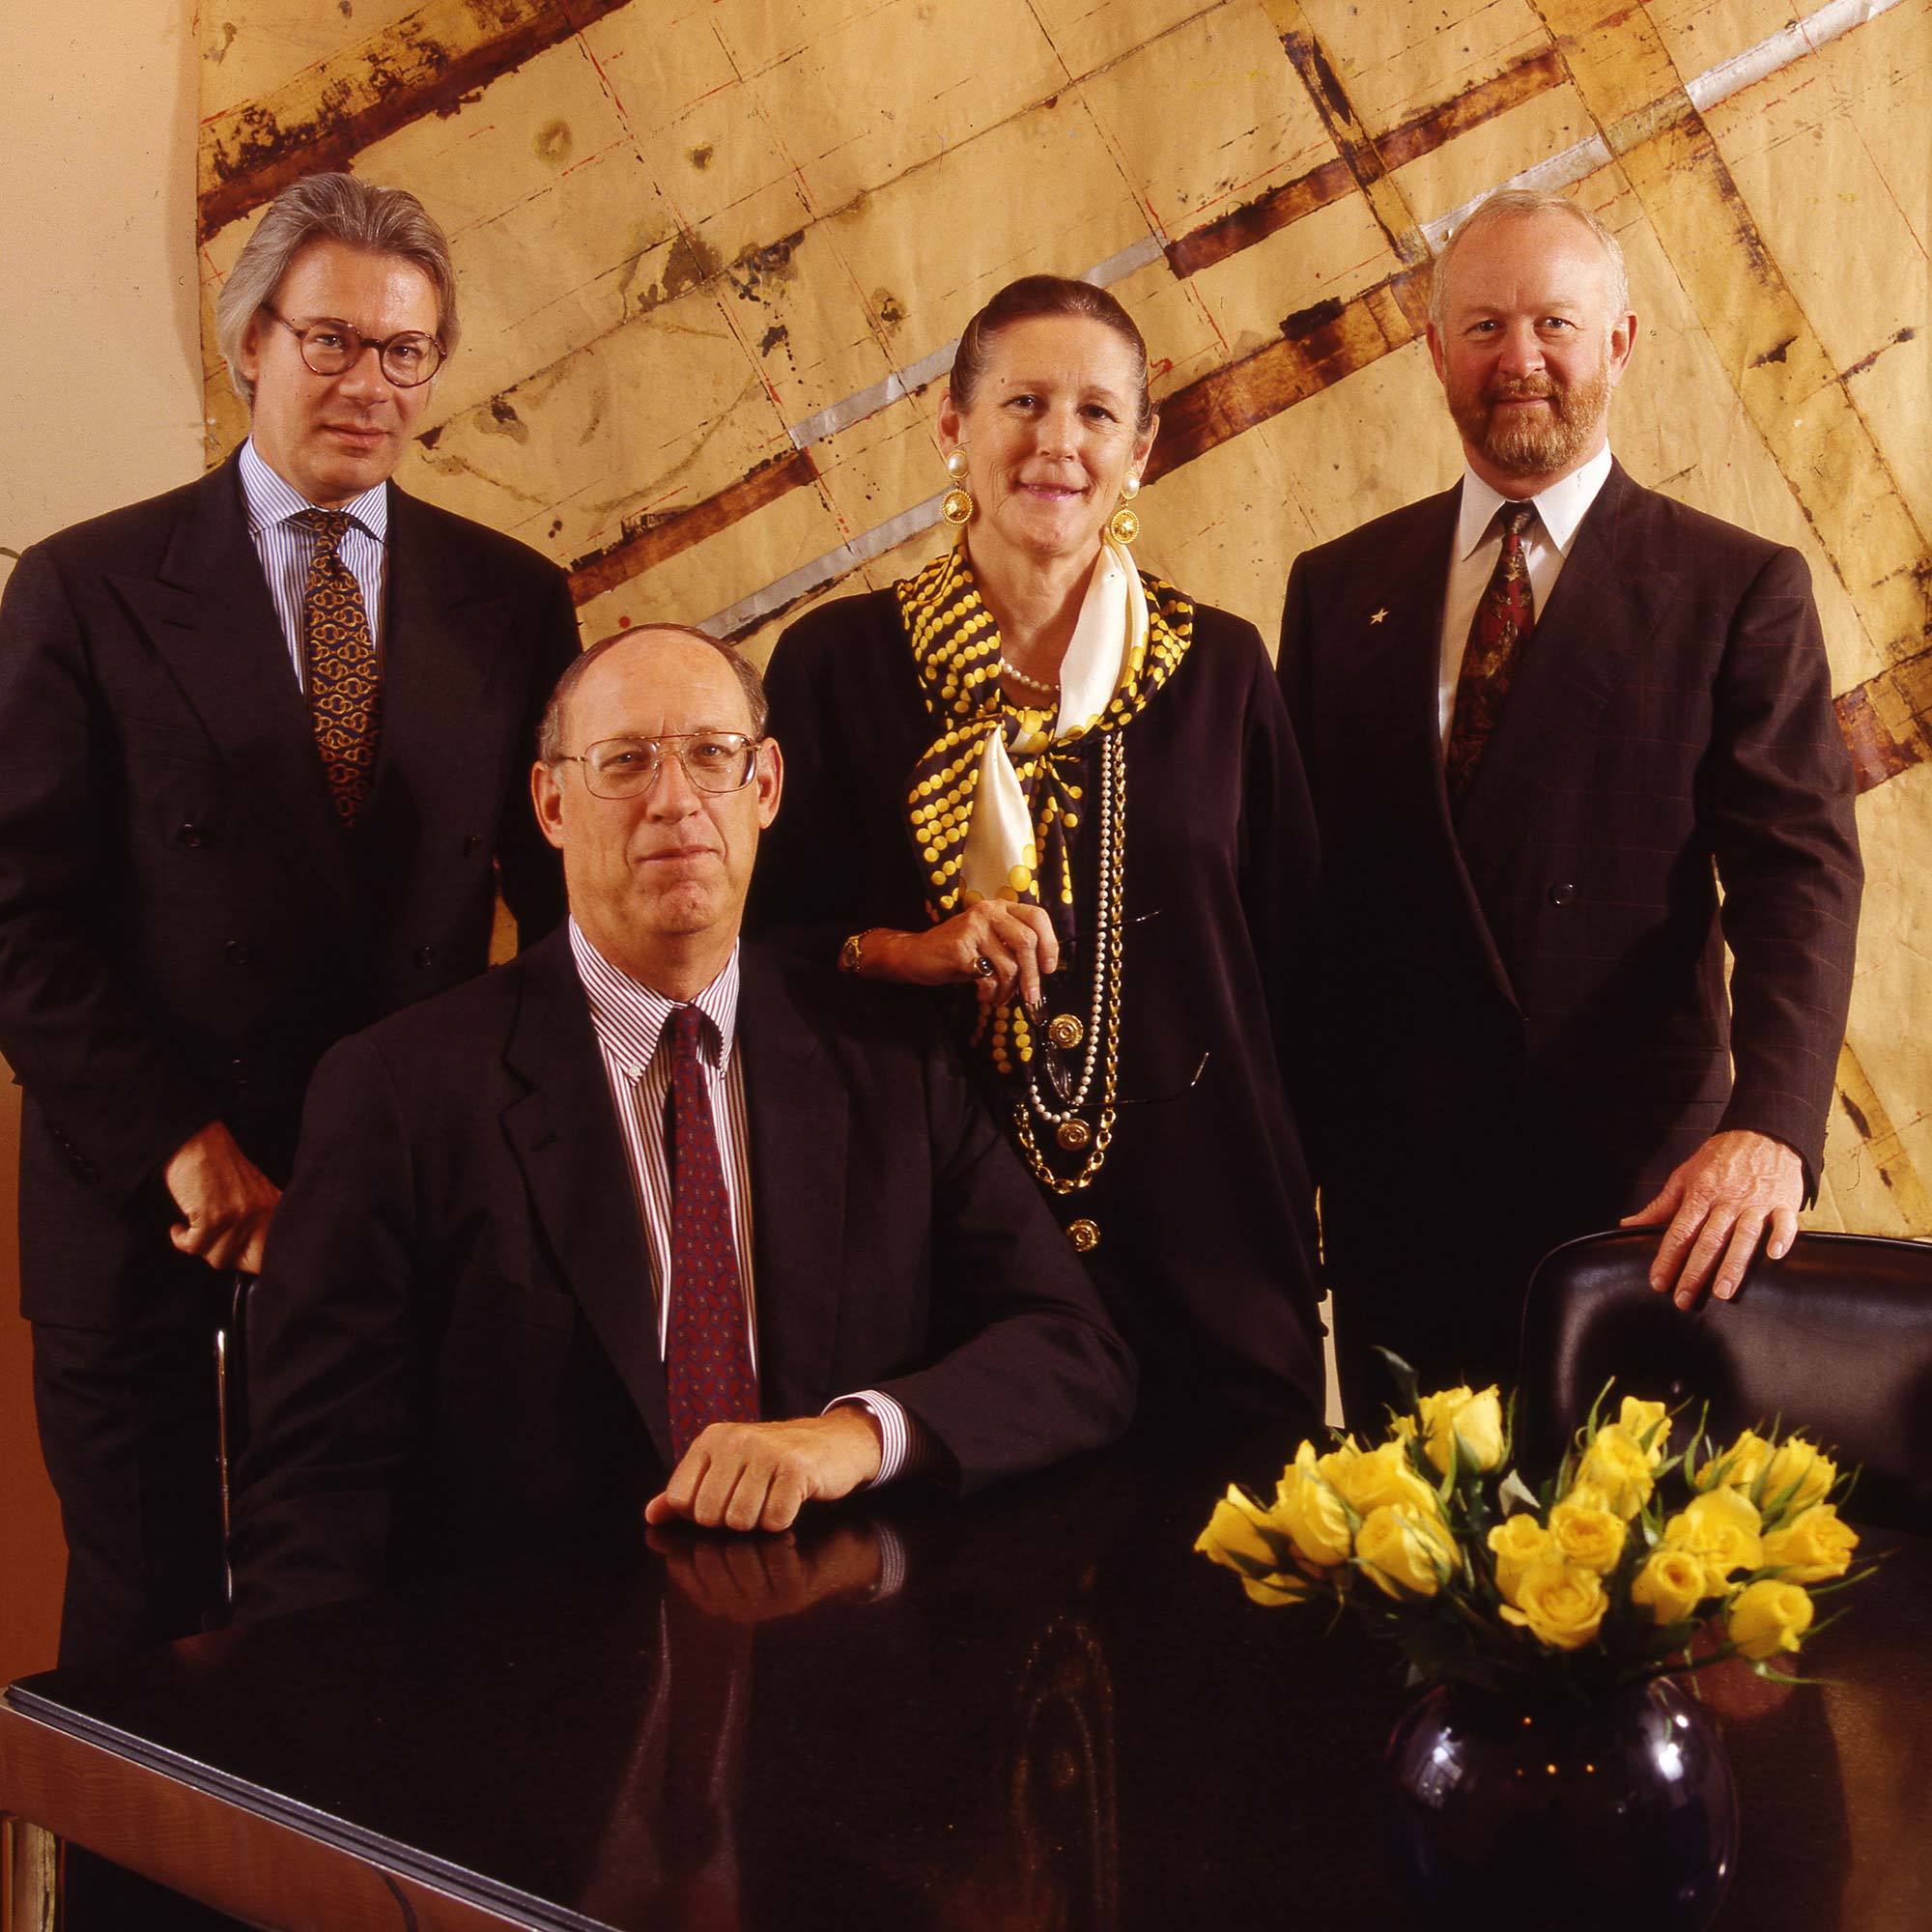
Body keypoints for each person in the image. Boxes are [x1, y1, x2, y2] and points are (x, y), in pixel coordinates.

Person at [229, 626, 1135, 1621]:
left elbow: (1072, 1349)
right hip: (520, 1706)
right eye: (623, 762)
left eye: (711, 754)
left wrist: (850, 1435)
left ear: (766, 785)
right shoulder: (398, 1093)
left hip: (836, 1695)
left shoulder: (887, 1061)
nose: (675, 801)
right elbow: (311, 1510)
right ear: (550, 803)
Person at [0, 172, 580, 1665]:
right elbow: (18, 917)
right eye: (331, 340)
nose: (369, 386)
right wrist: (184, 1152)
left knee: (378, 1643)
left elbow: (557, 913)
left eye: (406, 353)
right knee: (149, 1649)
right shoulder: (86, 585)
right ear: (247, 341)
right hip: (156, 1219)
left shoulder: (514, 598)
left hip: (402, 1219)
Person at [1277, 188, 1861, 1425]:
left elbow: (1795, 874)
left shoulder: (1734, 585)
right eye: (1483, 326)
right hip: (1400, 1203)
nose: (1520, 359)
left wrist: (1770, 1128)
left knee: (1633, 1584)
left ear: (1620, 342)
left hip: (1642, 1210)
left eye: (1553, 321)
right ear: (1434, 351)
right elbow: (1294, 901)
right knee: (1412, 1588)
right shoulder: (1336, 591)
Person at [748, 275, 1325, 1428]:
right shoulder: (838, 664)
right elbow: (747, 961)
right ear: (953, 429)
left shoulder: (1219, 667)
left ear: (1142, 451)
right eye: (1022, 402)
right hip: (929, 1278)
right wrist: (897, 953)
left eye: (1096, 412)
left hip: (1208, 1263)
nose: (1057, 442)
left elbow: (1297, 972)